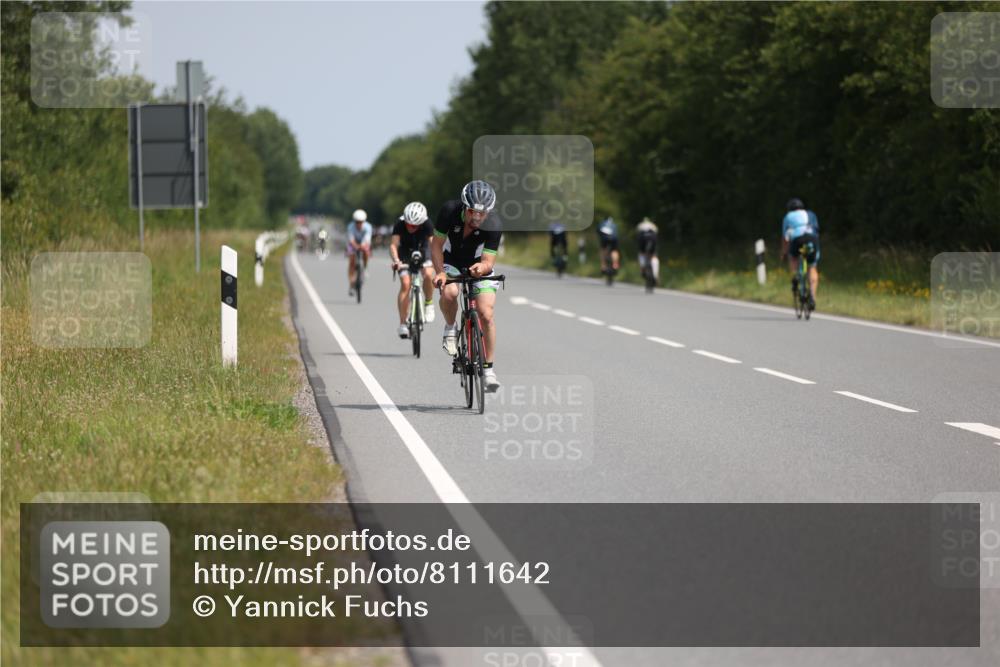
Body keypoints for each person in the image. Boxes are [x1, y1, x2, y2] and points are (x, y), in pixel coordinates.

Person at [431, 180, 502, 392]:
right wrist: (440, 272)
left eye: (482, 214)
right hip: (451, 260)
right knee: (450, 292)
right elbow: (436, 245)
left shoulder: (495, 223)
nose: (477, 217)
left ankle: (488, 370)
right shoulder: (449, 212)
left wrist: (482, 267)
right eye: (472, 212)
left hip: (478, 265)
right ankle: (451, 328)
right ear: (464, 207)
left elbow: (489, 261)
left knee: (486, 313)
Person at [390, 201, 436, 337]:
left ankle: (428, 303)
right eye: (408, 224)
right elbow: (393, 245)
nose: (411, 227)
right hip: (405, 251)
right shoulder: (399, 223)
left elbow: (434, 245)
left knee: (428, 274)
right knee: (405, 283)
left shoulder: (428, 224)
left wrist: (436, 262)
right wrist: (396, 260)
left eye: (415, 226)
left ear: (421, 223)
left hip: (423, 248)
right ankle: (403, 323)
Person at [780, 198, 820, 308]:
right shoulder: (811, 214)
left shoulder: (788, 216)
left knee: (793, 257)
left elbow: (785, 238)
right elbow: (817, 232)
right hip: (812, 239)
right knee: (812, 267)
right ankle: (812, 296)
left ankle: (795, 276)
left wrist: (784, 253)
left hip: (797, 240)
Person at [346, 209, 372, 296]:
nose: (359, 224)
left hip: (364, 243)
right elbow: (351, 239)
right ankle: (351, 283)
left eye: (361, 222)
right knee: (351, 261)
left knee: (366, 251)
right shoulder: (350, 227)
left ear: (364, 222)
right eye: (357, 222)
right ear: (354, 221)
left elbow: (367, 239)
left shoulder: (368, 227)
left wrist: (363, 246)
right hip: (353, 244)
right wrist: (356, 246)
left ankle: (364, 266)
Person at [635, 217, 659, 286]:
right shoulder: (653, 225)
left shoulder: (640, 225)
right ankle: (655, 275)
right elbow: (657, 232)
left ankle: (642, 269)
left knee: (641, 254)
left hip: (642, 239)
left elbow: (637, 233)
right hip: (653, 238)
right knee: (654, 256)